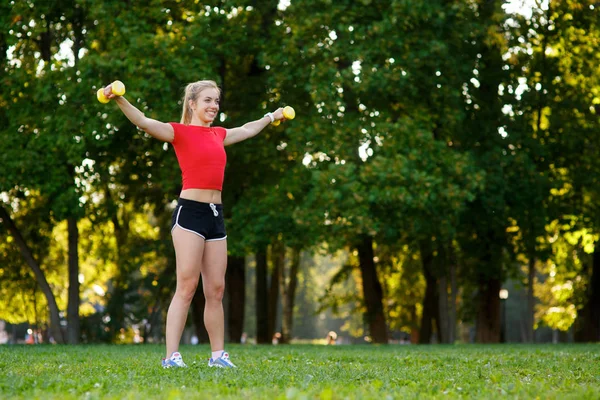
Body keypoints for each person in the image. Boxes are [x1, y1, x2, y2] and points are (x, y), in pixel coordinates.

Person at [101, 80, 287, 368]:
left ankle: (217, 356)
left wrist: (271, 116)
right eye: (207, 101)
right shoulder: (180, 132)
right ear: (192, 104)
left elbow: (248, 129)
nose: (213, 106)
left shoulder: (219, 134)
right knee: (187, 286)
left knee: (216, 289)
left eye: (216, 101)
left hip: (216, 214)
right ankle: (171, 356)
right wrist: (117, 99)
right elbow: (144, 121)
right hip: (190, 214)